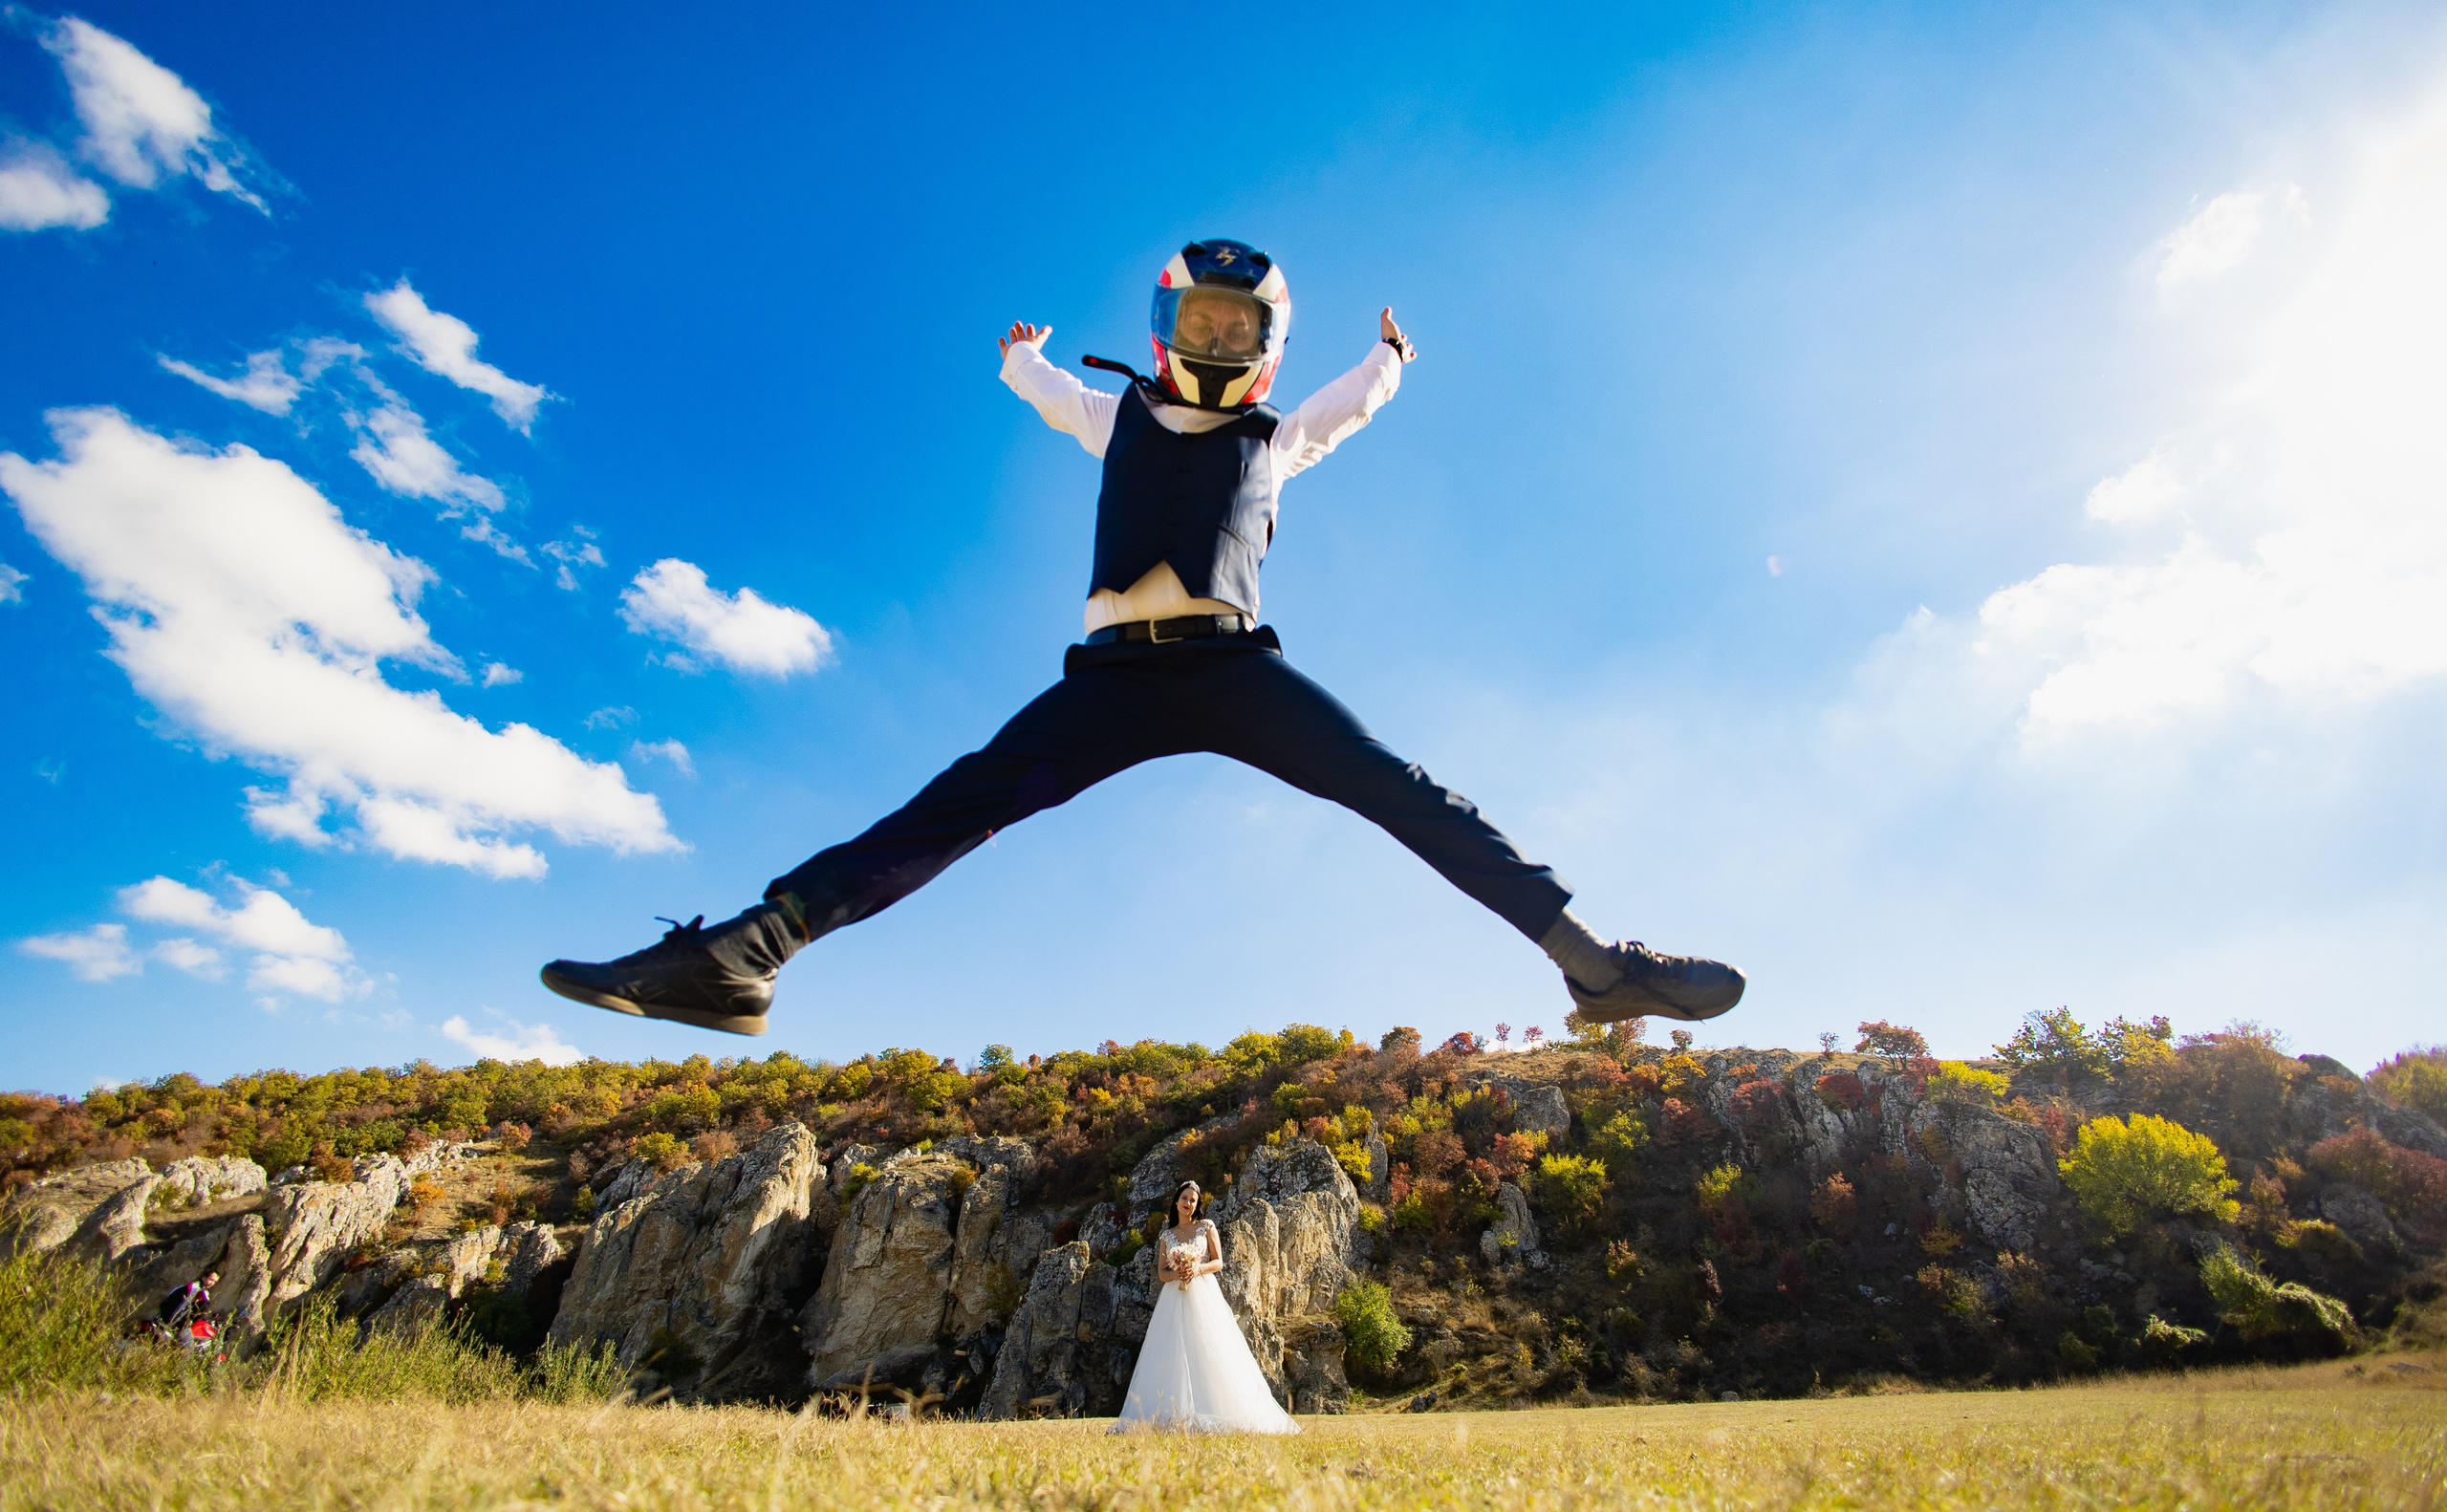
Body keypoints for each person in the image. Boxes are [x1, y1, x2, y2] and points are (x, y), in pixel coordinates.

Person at [541, 239, 1745, 1035]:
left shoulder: (1278, 438)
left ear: (1260, 342)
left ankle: (1594, 963)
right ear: (1171, 321)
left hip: (1230, 670)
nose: (1217, 338)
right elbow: (1047, 391)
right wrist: (1022, 357)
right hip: (1112, 681)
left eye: (1239, 326)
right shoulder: (1111, 414)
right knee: (951, 806)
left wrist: (1388, 356)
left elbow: (1349, 407)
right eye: (1199, 318)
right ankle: (744, 956)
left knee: (1402, 789)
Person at [1113, 1180, 1297, 1434]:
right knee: (1173, 1350)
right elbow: (1162, 1274)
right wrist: (1179, 1270)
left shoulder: (1206, 1226)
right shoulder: (1167, 1236)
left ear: (1197, 1205)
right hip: (1174, 1297)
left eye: (1193, 1200)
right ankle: (1169, 1413)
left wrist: (1197, 1268)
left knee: (1209, 1346)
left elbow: (1218, 1262)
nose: (1188, 1203)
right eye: (1184, 1198)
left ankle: (1217, 1407)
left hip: (1202, 1292)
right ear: (1176, 1201)